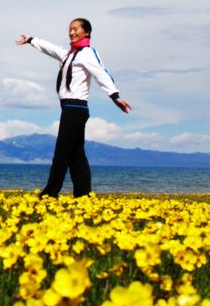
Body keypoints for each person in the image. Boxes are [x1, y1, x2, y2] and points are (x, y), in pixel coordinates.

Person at [17, 18, 131, 198]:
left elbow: (101, 73)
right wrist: (31, 40)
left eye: (76, 29)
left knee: (61, 153)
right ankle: (84, 195)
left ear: (86, 32)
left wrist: (115, 96)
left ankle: (50, 194)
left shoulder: (87, 53)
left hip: (75, 108)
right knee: (76, 156)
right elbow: (51, 48)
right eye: (70, 29)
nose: (71, 32)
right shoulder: (69, 54)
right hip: (68, 107)